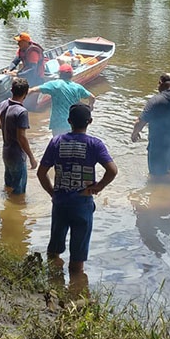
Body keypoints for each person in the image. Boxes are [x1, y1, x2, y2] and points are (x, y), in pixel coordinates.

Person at [37, 104, 118, 276]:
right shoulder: (94, 144)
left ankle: (52, 283)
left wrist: (53, 193)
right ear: (90, 121)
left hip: (60, 202)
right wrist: (98, 187)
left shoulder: (56, 142)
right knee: (78, 258)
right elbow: (112, 171)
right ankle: (76, 288)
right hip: (82, 202)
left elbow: (41, 172)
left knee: (54, 250)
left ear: (69, 122)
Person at [0, 77, 37, 195]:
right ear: (25, 94)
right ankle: (16, 208)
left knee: (9, 185)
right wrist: (31, 157)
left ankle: (7, 207)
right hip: (17, 155)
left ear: (11, 90)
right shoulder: (21, 111)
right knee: (19, 191)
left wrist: (3, 128)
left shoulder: (4, 104)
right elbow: (22, 137)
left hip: (6, 153)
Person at [28, 63, 95, 136]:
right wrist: (90, 106)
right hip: (74, 123)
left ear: (59, 74)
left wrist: (21, 98)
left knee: (58, 145)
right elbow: (92, 97)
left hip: (58, 124)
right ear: (71, 74)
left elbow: (33, 90)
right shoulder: (78, 87)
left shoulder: (54, 85)